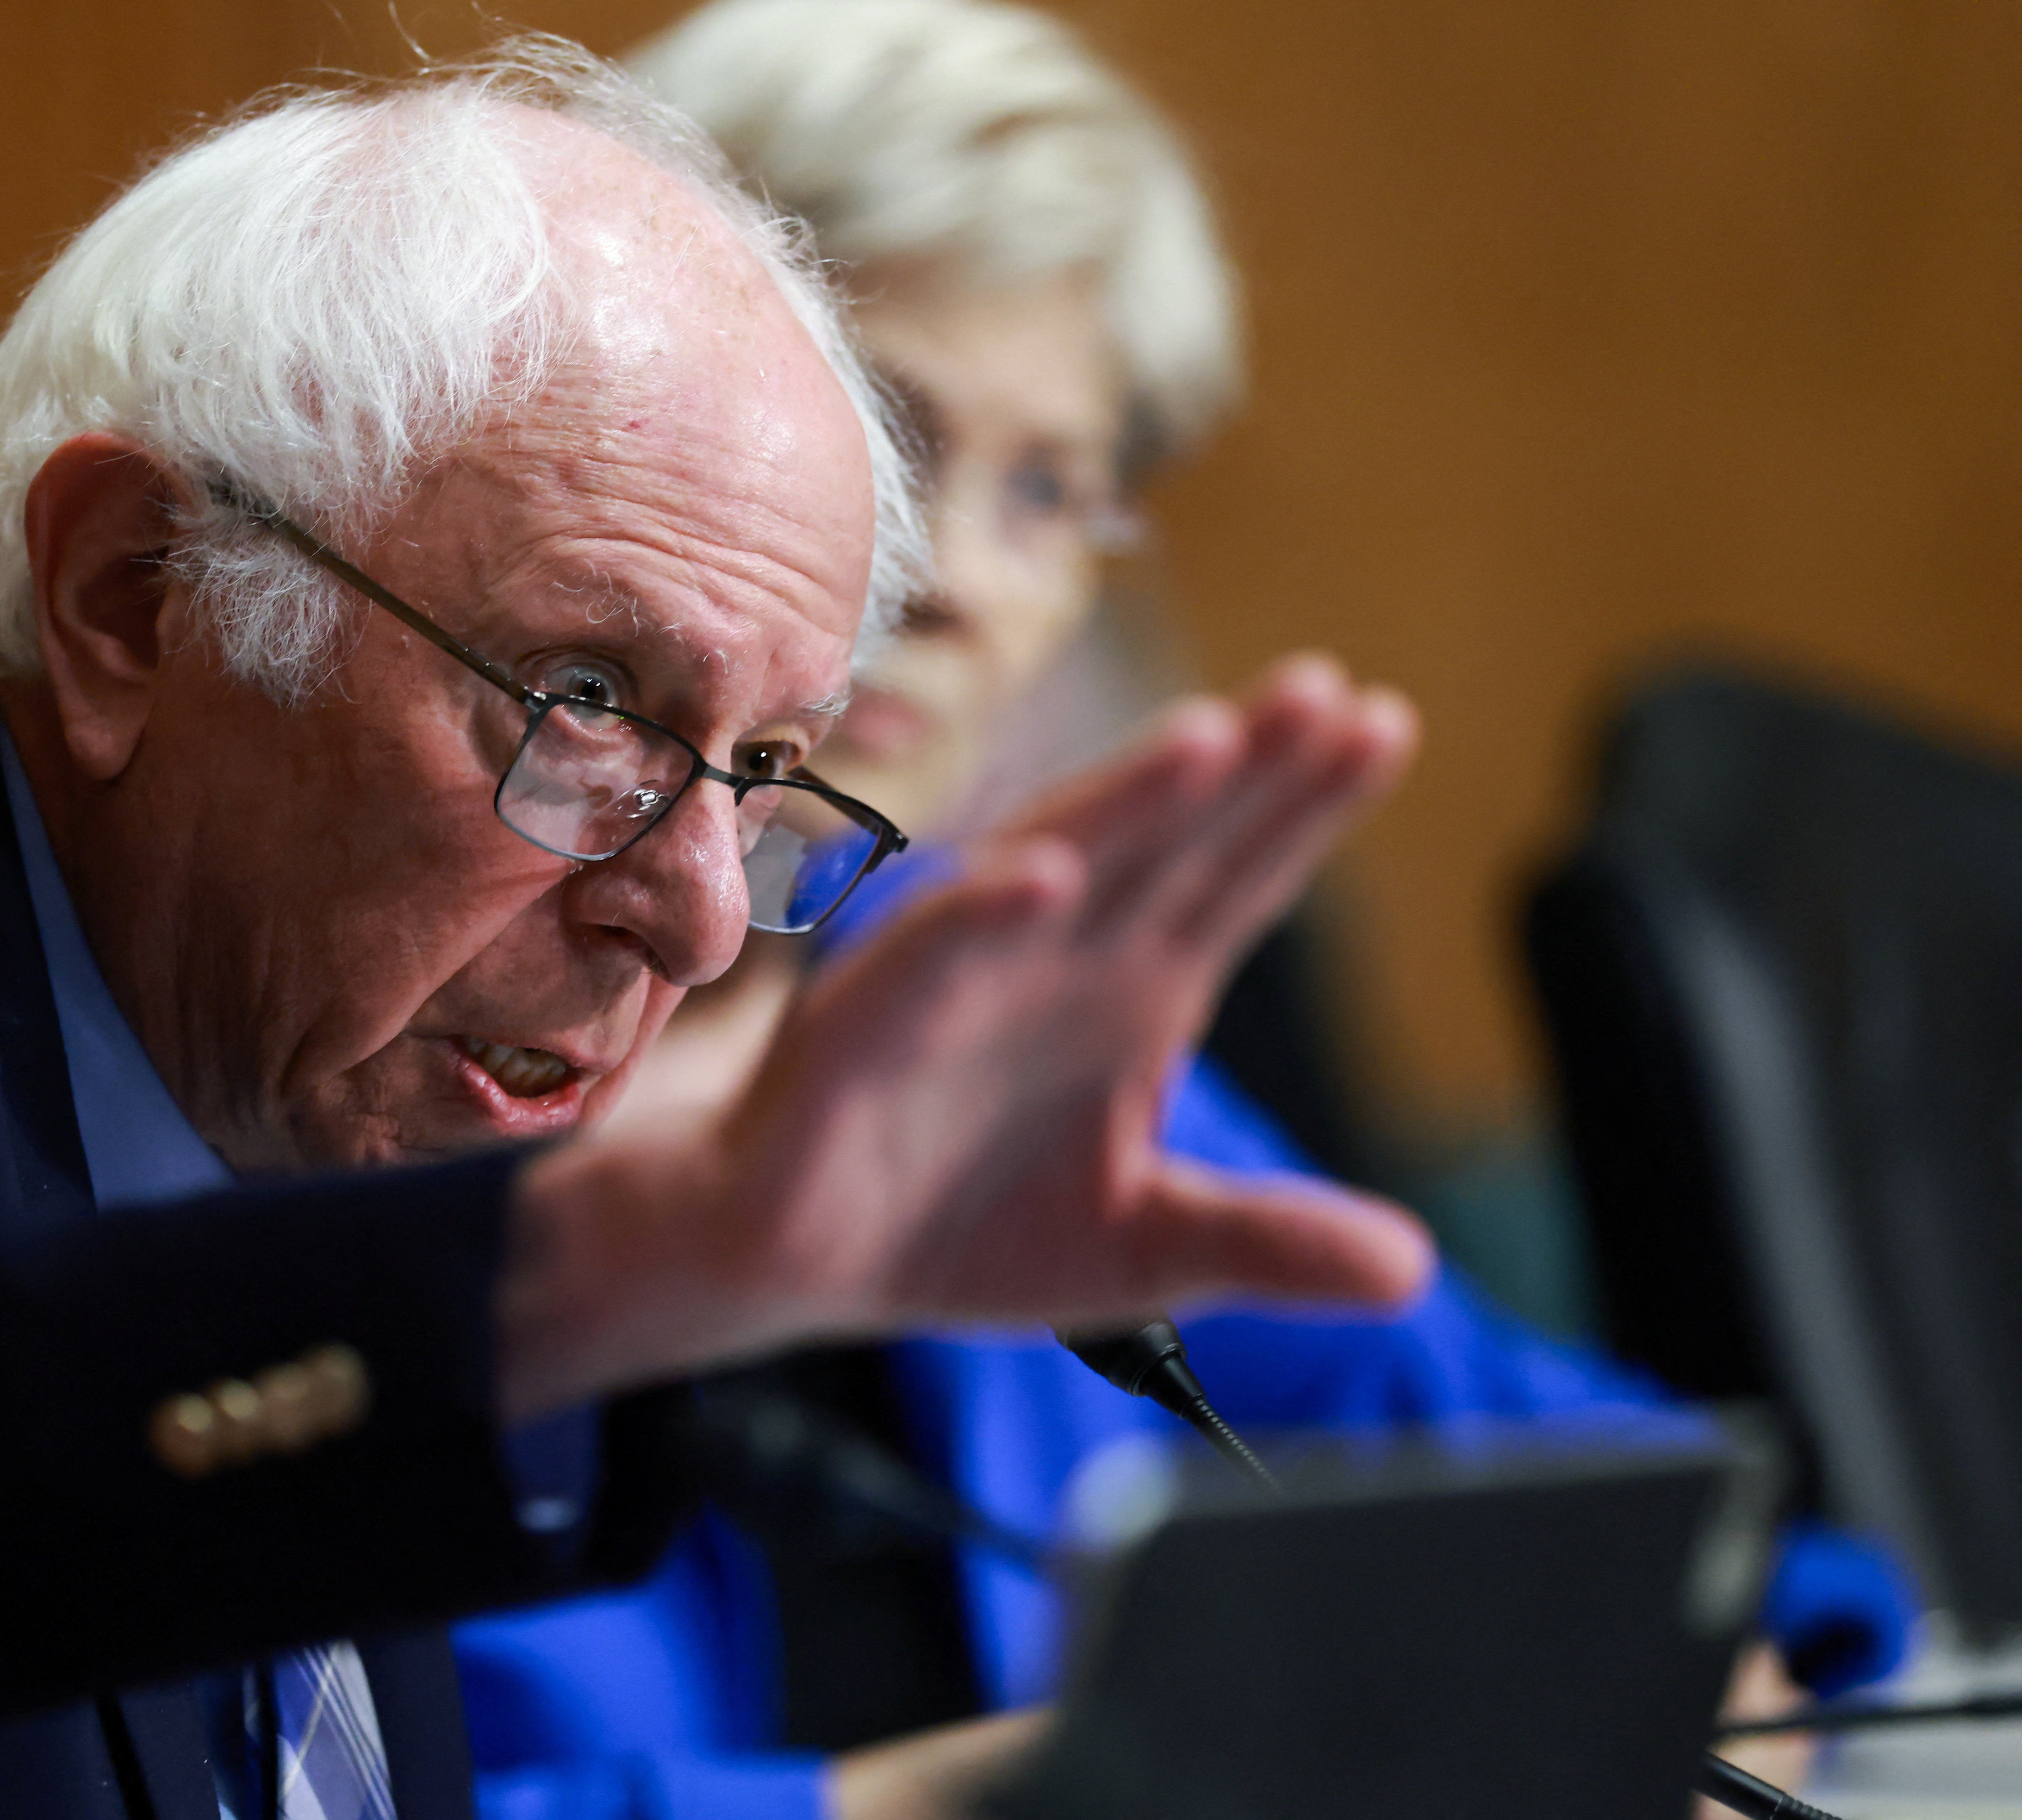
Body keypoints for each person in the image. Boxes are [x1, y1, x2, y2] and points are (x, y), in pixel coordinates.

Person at [0, 41, 1427, 1820]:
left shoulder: (306, 1106)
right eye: (590, 711)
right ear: (132, 597)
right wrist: (626, 1265)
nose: (693, 916)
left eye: (766, 773)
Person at [448, 7, 1911, 1818]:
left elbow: (1643, 1505)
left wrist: (1693, 1673)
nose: (963, 578)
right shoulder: (362, 1044)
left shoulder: (973, 1003)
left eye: (1050, 486)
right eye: (880, 431)